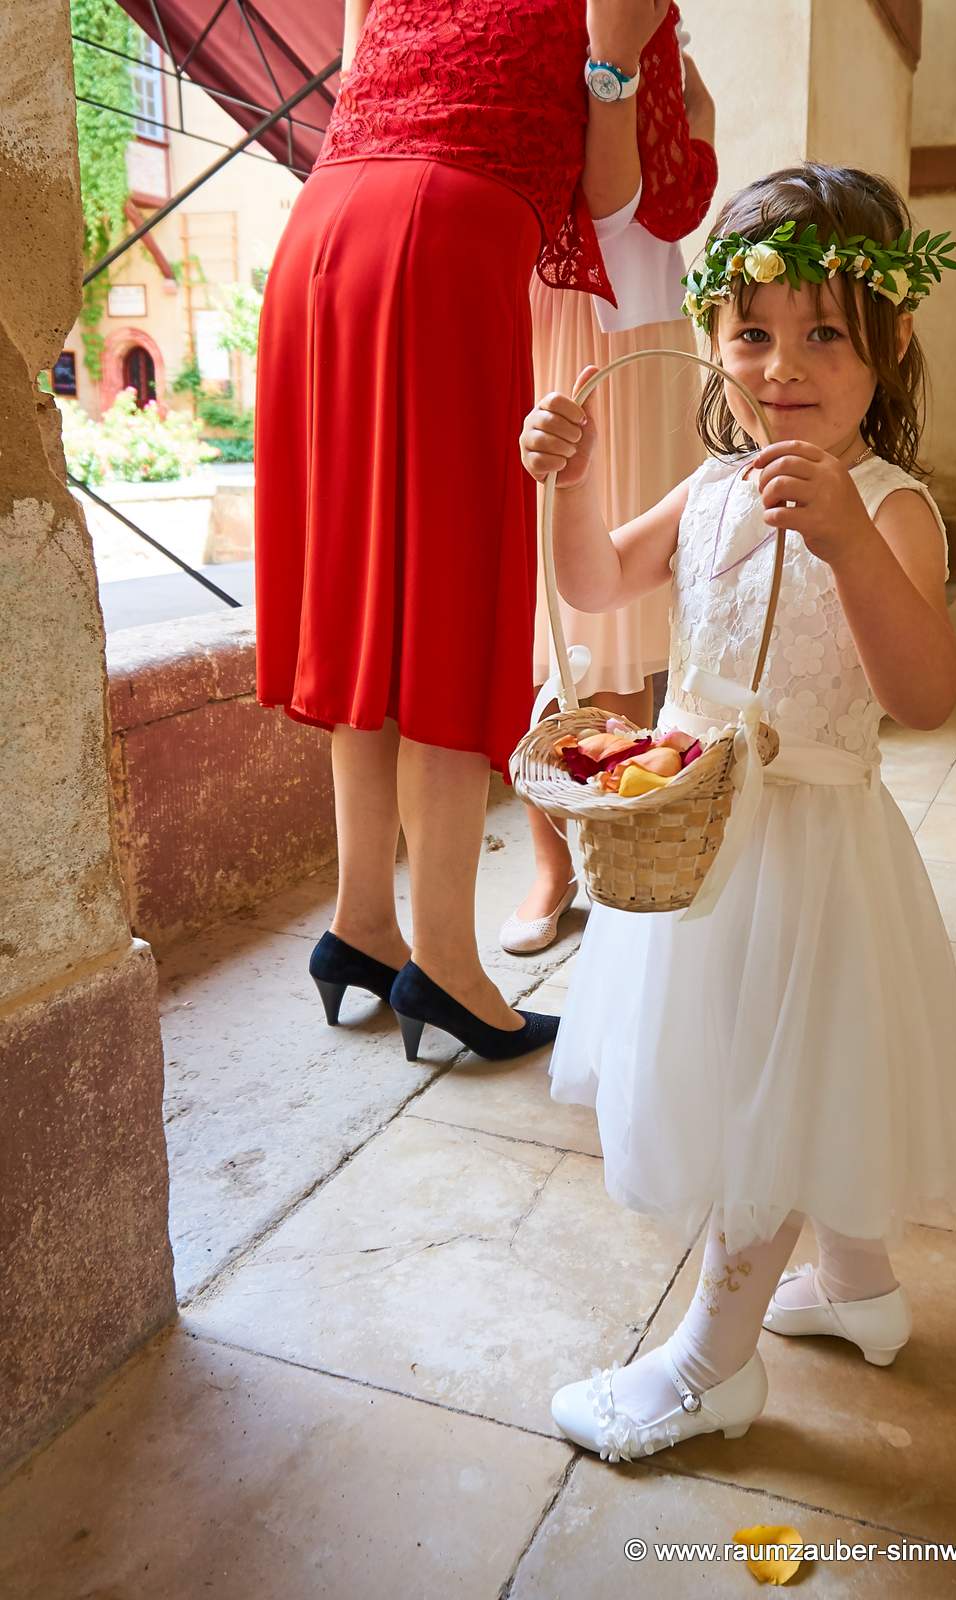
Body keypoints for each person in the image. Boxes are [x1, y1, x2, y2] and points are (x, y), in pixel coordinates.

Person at [516, 163, 956, 1459]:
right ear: (712, 338)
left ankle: (706, 1366)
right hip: (701, 837)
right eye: (752, 332)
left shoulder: (885, 506)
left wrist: (842, 544)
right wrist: (563, 481)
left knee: (764, 1099)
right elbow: (597, 580)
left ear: (885, 344)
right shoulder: (710, 490)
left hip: (810, 851)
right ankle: (855, 1288)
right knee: (789, 1080)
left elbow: (927, 694)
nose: (784, 367)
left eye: (824, 332)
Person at [254, 0, 678, 1061]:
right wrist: (615, 61)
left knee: (367, 602)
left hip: (319, 236)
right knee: (446, 600)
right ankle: (442, 957)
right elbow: (616, 200)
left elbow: (368, 98)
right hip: (441, 243)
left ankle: (361, 922)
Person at [502, 22, 718, 955]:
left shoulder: (649, 32)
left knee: (617, 614)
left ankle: (612, 835)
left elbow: (666, 155)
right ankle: (550, 865)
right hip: (539, 300)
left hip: (642, 313)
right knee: (537, 605)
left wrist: (627, 79)